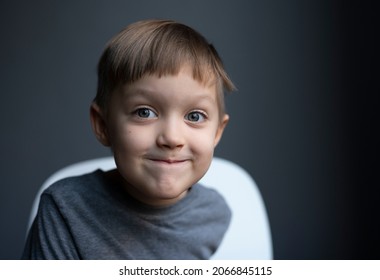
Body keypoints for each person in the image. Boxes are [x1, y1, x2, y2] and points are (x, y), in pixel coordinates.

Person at [22, 19, 236, 259]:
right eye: (144, 112)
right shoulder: (65, 209)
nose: (172, 138)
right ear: (103, 125)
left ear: (217, 132)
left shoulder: (214, 214)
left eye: (195, 116)